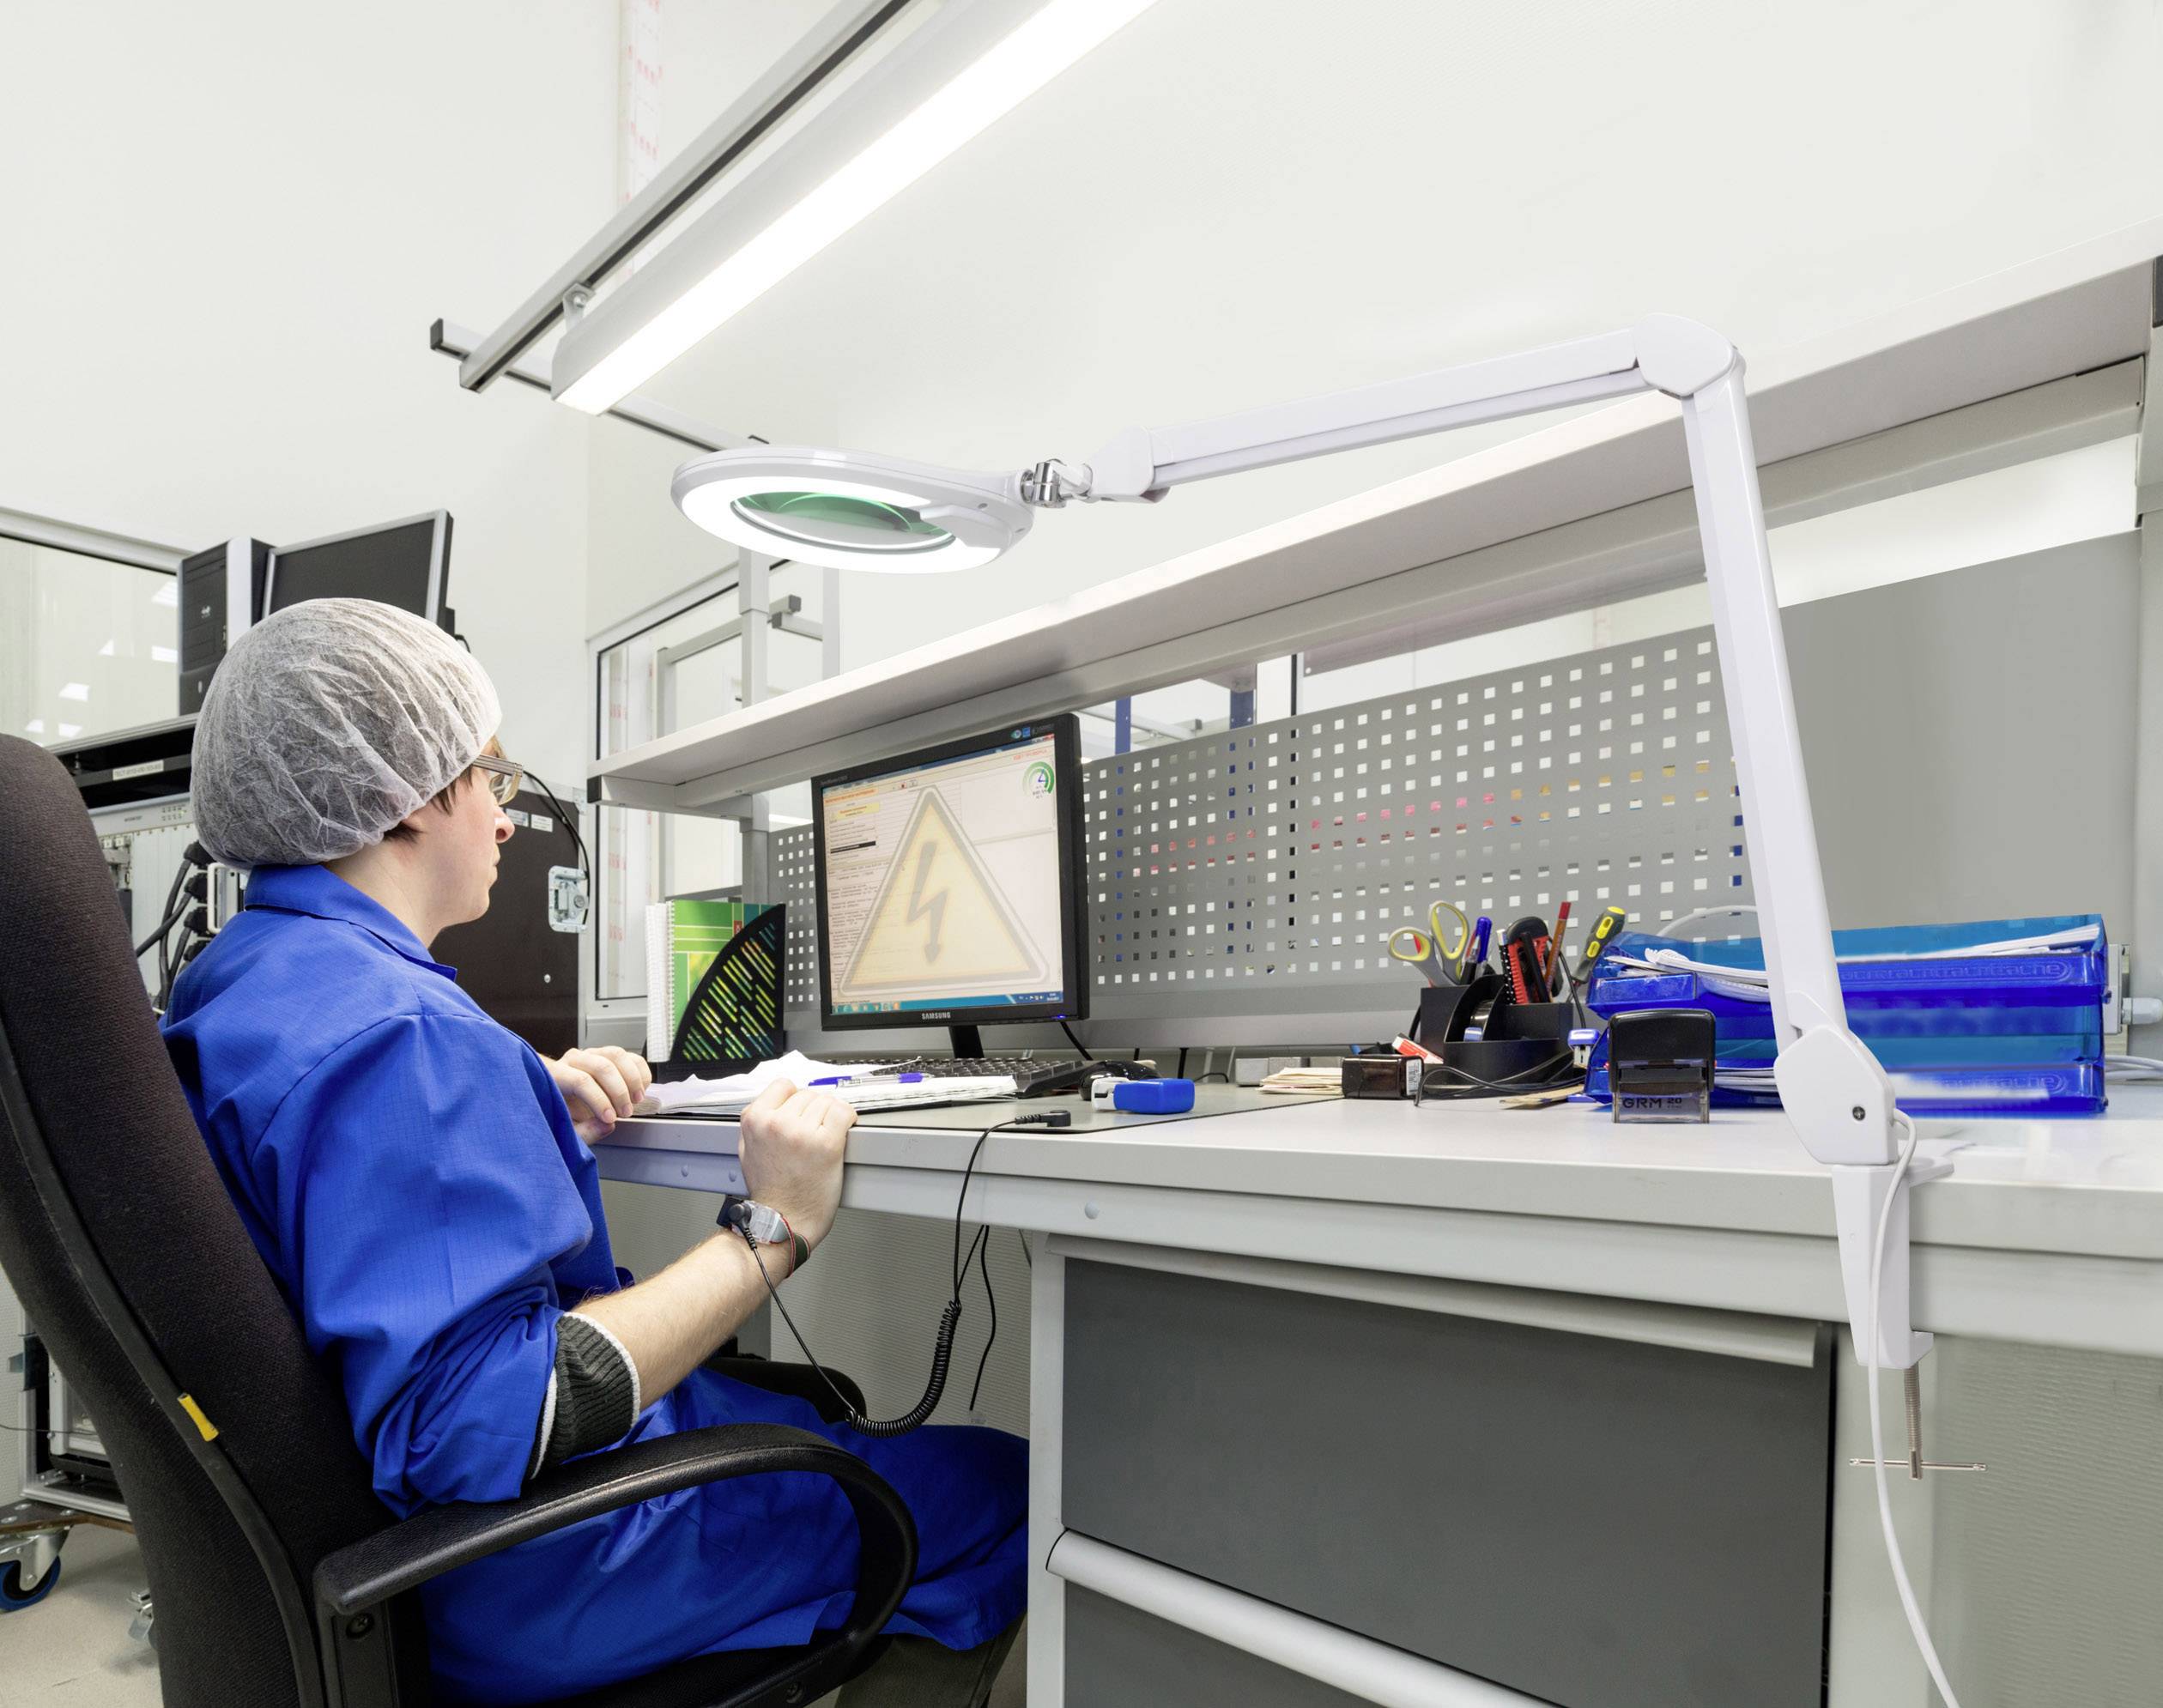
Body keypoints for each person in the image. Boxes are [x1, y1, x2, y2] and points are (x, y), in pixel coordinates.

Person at [161, 599, 1026, 1705]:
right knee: (1005, 1476)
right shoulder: (406, 1037)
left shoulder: (250, 977)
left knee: (826, 1419)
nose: (508, 818)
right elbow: (473, 1425)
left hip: (428, 1553)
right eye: (491, 776)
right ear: (412, 802)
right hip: (544, 1566)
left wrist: (514, 1105)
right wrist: (774, 1230)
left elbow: (338, 1192)